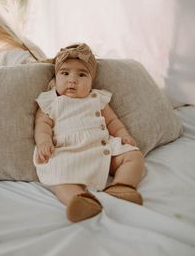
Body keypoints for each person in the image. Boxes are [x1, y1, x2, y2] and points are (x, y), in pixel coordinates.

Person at [33, 43, 144, 223]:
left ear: (92, 80)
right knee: (58, 176)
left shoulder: (97, 98)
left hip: (101, 147)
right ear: (55, 76)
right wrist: (44, 142)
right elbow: (42, 125)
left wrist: (123, 134)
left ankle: (122, 187)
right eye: (65, 73)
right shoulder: (50, 101)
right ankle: (80, 201)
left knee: (134, 155)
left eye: (82, 74)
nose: (72, 80)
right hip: (66, 150)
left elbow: (113, 121)